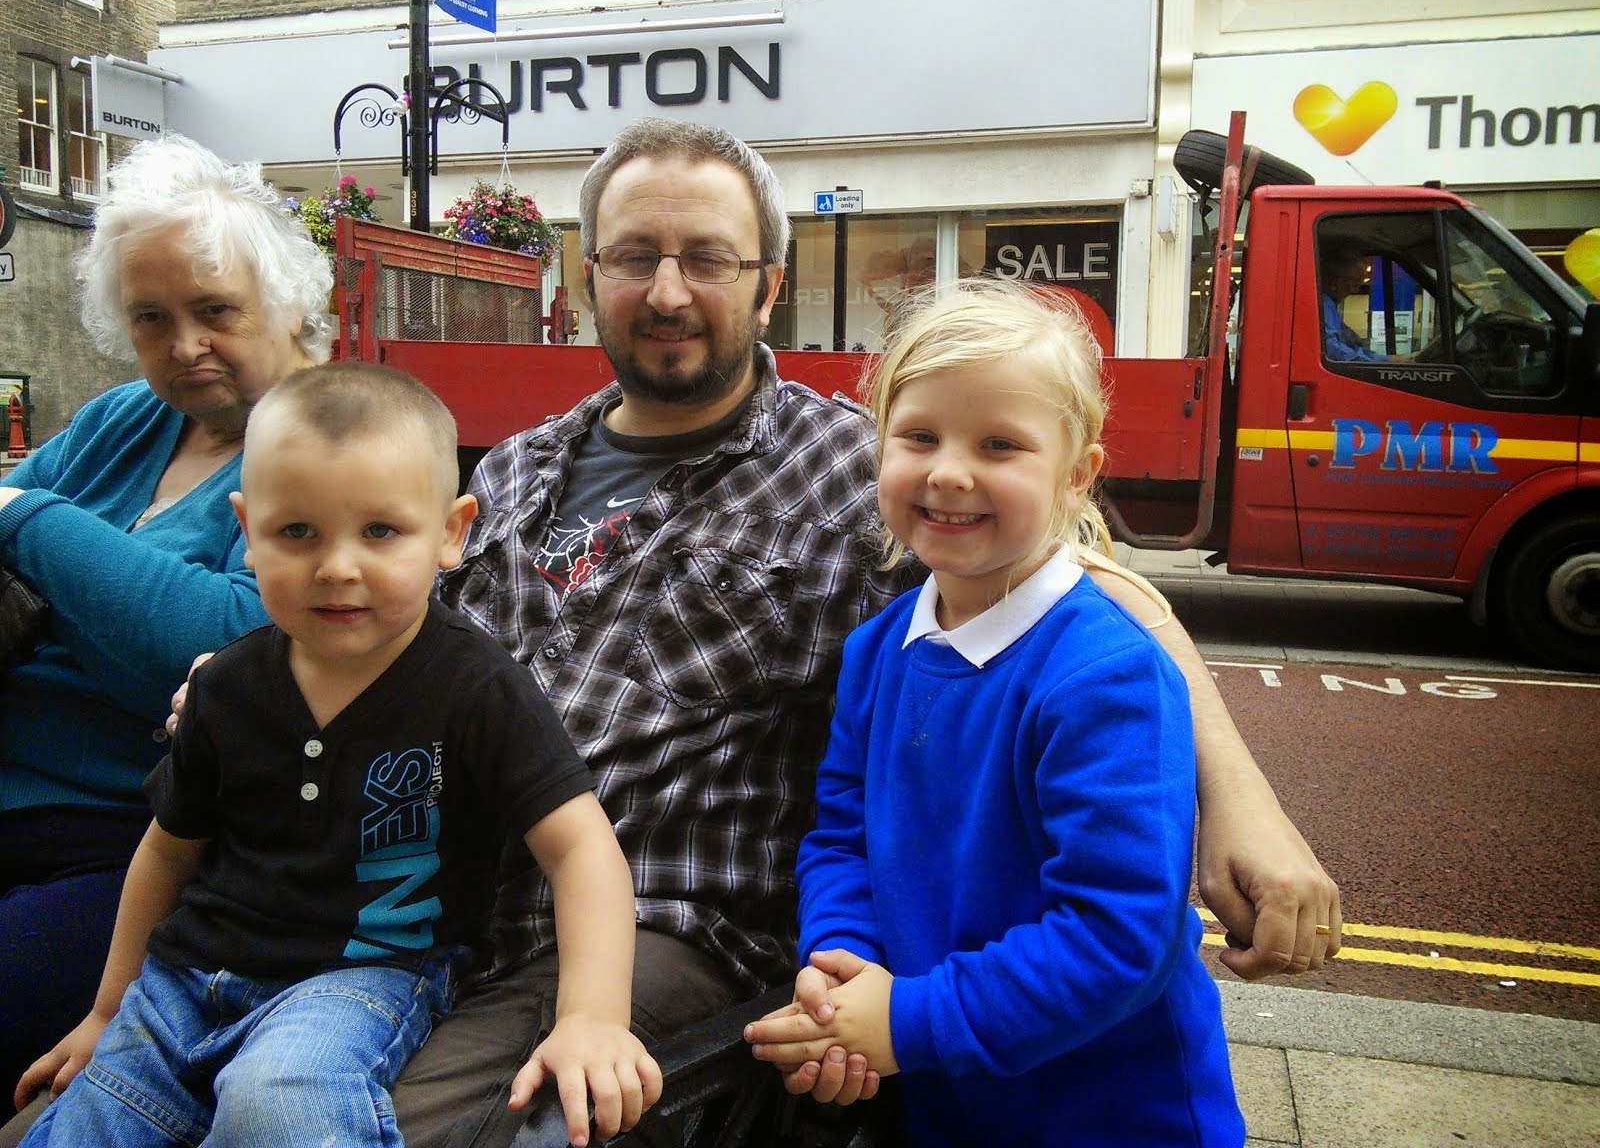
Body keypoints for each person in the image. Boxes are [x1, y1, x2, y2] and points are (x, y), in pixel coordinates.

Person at [376, 117, 1337, 1144]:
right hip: (432, 903)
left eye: (706, 258)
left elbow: (1086, 583)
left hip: (663, 932)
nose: (665, 291)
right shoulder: (512, 470)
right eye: (633, 256)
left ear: (768, 282)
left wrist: (1241, 799)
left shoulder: (854, 470)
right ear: (586, 272)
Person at [15, 363, 660, 1148]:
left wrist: (592, 1017)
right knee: (85, 1125)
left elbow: (581, 847)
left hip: (362, 978)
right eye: (297, 532)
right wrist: (107, 1010)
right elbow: (166, 851)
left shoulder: (474, 686)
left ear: (453, 531)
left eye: (380, 532)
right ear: (246, 533)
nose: (338, 567)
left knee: (279, 1101)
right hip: (184, 980)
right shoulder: (229, 684)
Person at [743, 279, 1244, 1145]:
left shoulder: (1104, 677)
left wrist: (905, 1023)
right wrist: (844, 958)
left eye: (1001, 444)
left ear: (1076, 474)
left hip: (1115, 1113)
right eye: (920, 436)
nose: (948, 471)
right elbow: (842, 835)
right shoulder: (878, 648)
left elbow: (1118, 932)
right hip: (951, 1097)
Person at [0, 133, 332, 1103]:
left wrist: (31, 523)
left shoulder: (328, 438)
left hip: (135, 851)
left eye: (215, 310)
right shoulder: (120, 421)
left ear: (290, 299)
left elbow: (225, 640)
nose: (184, 345)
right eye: (151, 318)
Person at [1321, 244, 1383, 362]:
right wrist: (1377, 361)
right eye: (1355, 285)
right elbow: (1332, 350)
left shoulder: (1330, 307)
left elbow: (1351, 340)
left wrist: (1384, 359)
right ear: (1335, 283)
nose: (1355, 291)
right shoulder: (1323, 306)